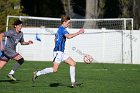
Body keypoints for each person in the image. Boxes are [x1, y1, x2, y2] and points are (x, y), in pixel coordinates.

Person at [32, 15, 85, 87]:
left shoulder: (59, 29)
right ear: (64, 22)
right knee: (54, 70)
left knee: (73, 63)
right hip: (58, 52)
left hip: (61, 52)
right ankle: (37, 73)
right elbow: (68, 36)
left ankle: (73, 82)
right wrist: (78, 32)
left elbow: (55, 39)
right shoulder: (62, 29)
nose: (69, 24)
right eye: (68, 22)